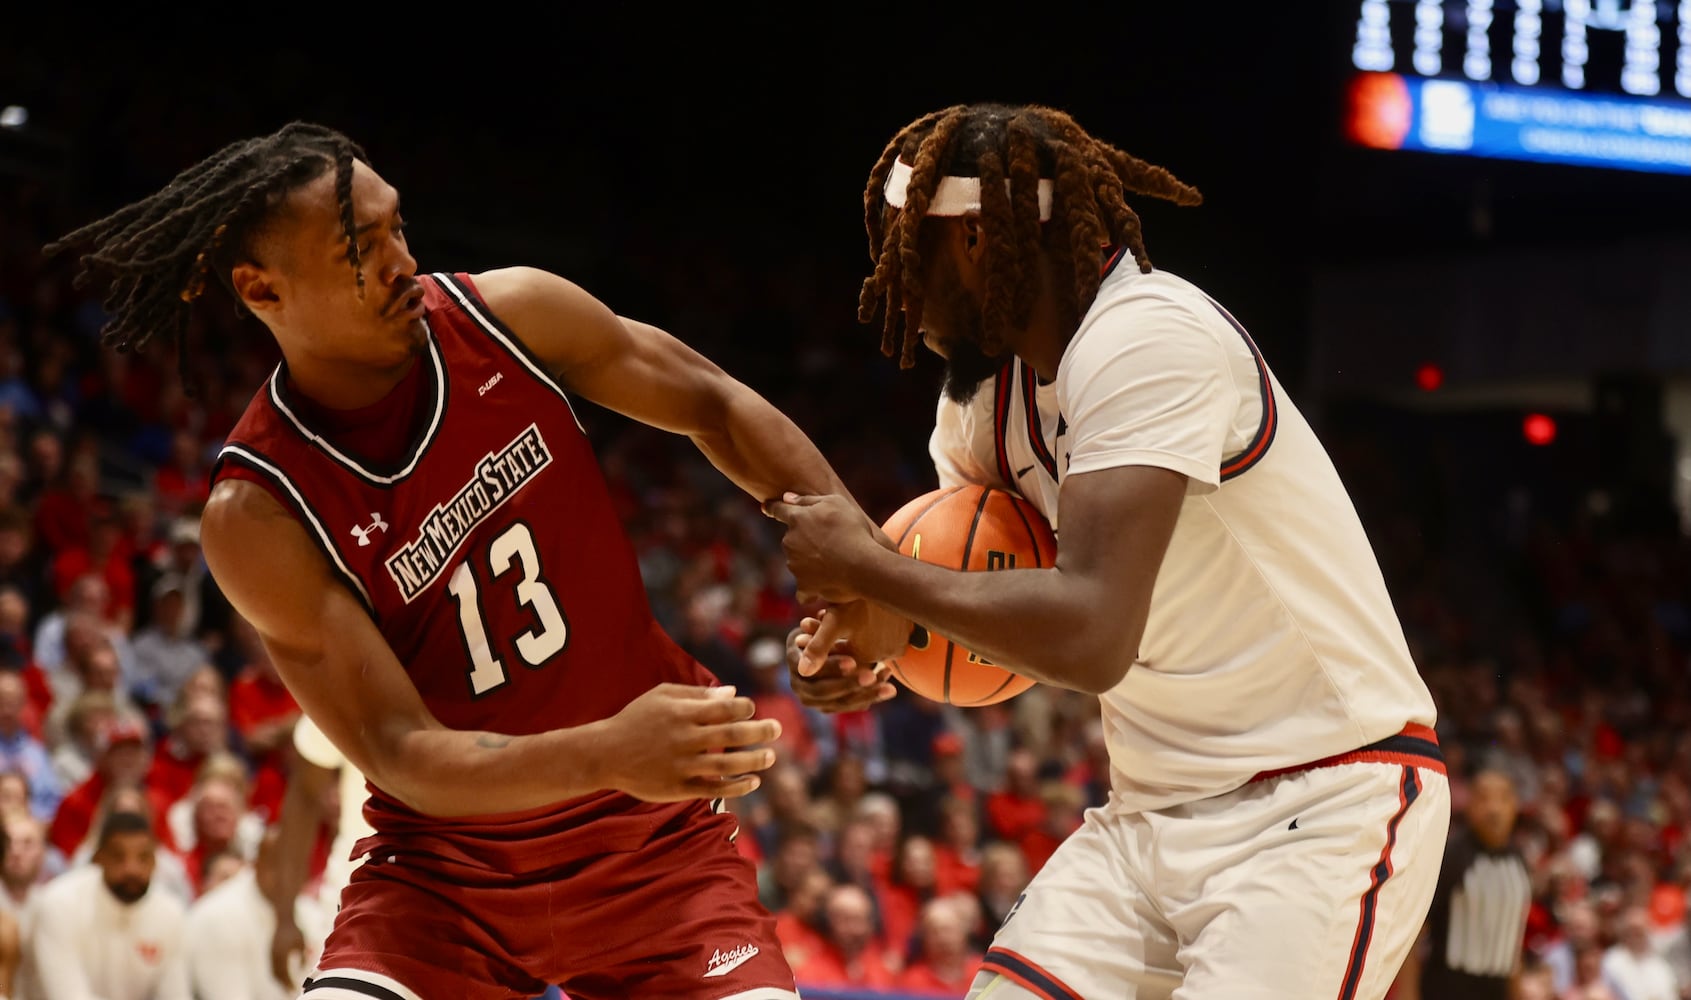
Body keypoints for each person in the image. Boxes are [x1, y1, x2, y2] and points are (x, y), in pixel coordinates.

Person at [45, 119, 884, 1000]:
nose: (403, 261)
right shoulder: (257, 512)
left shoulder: (510, 315)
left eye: (397, 226)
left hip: (655, 862)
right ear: (262, 289)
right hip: (442, 892)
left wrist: (856, 580)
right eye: (359, 250)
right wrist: (605, 752)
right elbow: (402, 751)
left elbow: (713, 404)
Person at [769, 101, 1451, 999]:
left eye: (908, 247)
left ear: (975, 238)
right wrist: (867, 637)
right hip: (1148, 815)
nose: (893, 279)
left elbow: (1089, 635)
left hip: (1320, 801)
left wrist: (863, 567)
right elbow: (965, 606)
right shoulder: (983, 404)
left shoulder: (1149, 336)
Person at [16, 809, 190, 1000]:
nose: (131, 868)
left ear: (156, 862)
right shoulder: (60, 903)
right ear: (98, 858)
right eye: (118, 856)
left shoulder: (170, 913)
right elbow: (68, 996)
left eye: (143, 857)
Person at [1393, 767, 1532, 999]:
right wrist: (1408, 993)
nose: (1494, 808)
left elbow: (1513, 942)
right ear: (1469, 804)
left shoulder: (1520, 864)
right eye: (1484, 798)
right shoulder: (1450, 855)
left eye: (1503, 798)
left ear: (1515, 805)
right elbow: (1413, 933)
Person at [185, 825, 332, 1000]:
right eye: (277, 866)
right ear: (256, 864)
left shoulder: (311, 915)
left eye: (296, 866)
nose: (287, 877)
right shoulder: (218, 917)